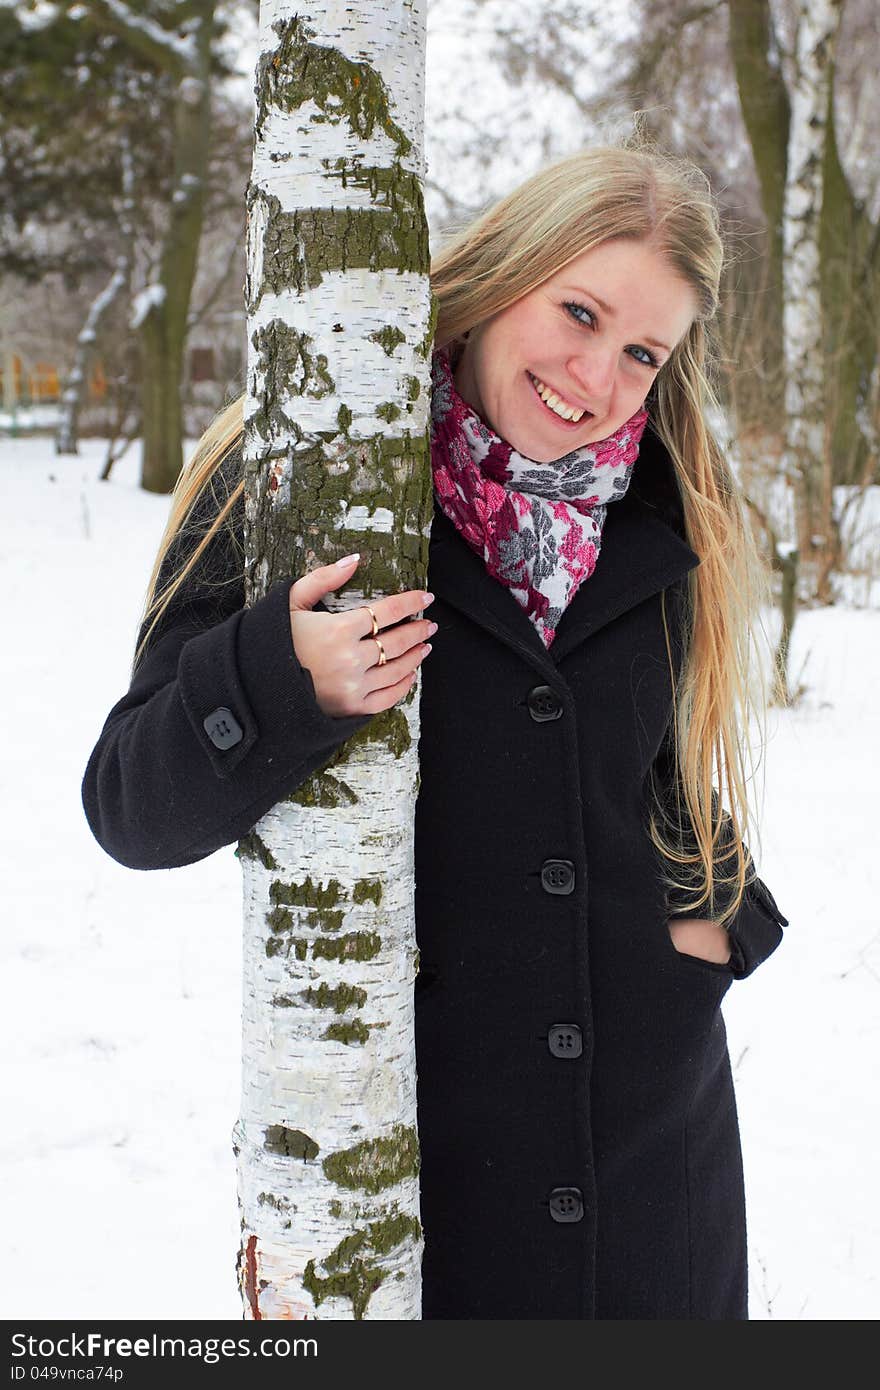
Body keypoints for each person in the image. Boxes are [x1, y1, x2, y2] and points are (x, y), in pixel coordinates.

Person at [81, 138, 789, 1320]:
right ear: (506, 268)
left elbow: (650, 778)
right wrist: (277, 677)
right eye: (577, 309)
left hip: (652, 1181)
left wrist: (723, 924)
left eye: (640, 352)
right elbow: (127, 807)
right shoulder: (309, 470)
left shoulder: (666, 514)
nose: (596, 375)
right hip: (423, 1187)